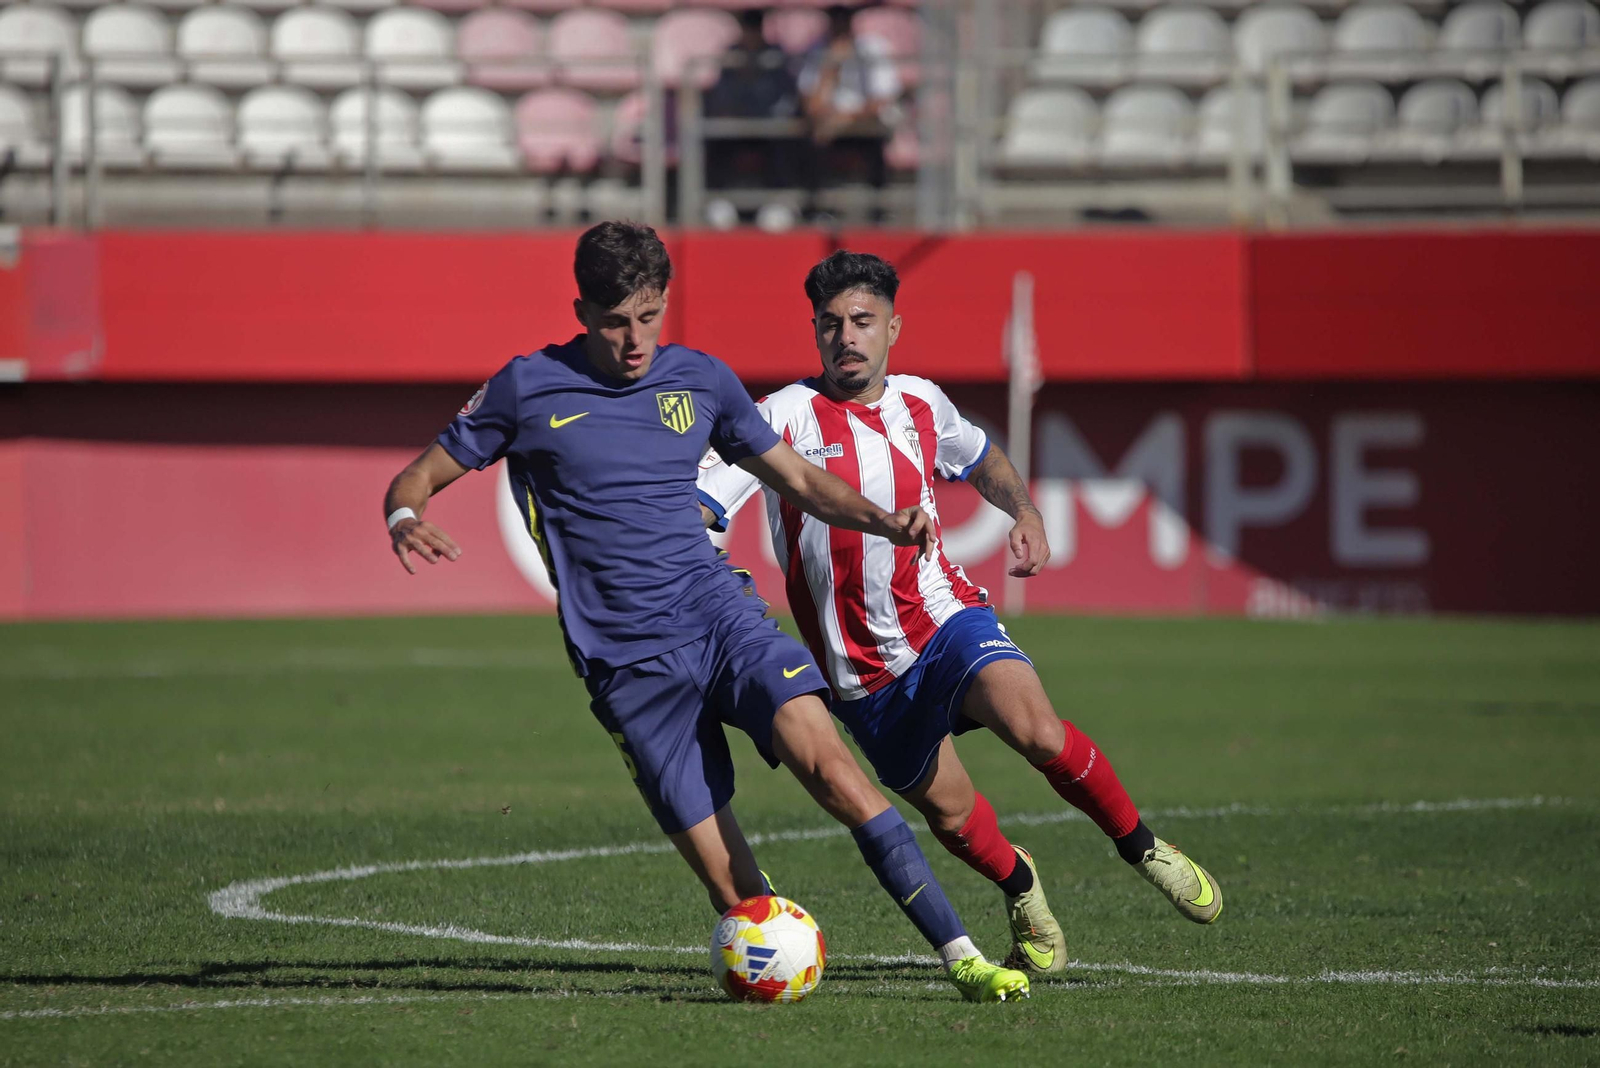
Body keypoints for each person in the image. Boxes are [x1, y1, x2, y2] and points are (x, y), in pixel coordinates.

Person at [380, 222, 1029, 1003]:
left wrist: (884, 519)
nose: (634, 340)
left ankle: (964, 959)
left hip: (721, 619)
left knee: (836, 773)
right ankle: (775, 959)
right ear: (582, 308)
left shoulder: (702, 381)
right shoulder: (526, 388)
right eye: (616, 321)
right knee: (740, 899)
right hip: (626, 664)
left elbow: (800, 480)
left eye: (649, 317)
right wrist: (404, 519)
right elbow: (415, 478)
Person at [696, 250, 1224, 977]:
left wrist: (1027, 512)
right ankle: (1021, 884)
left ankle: (1143, 847)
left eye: (862, 321)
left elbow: (980, 460)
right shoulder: (779, 416)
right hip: (862, 675)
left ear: (893, 329)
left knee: (1037, 729)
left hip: (945, 619)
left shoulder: (922, 403)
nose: (845, 337)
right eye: (830, 324)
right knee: (950, 814)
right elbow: (704, 503)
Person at [795, 5, 900, 219]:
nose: (840, 26)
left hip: (864, 122)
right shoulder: (817, 50)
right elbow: (811, 105)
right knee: (812, 137)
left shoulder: (872, 48)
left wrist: (846, 118)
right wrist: (831, 67)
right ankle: (819, 210)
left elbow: (880, 101)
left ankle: (878, 212)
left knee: (874, 140)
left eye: (844, 19)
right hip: (829, 125)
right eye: (835, 19)